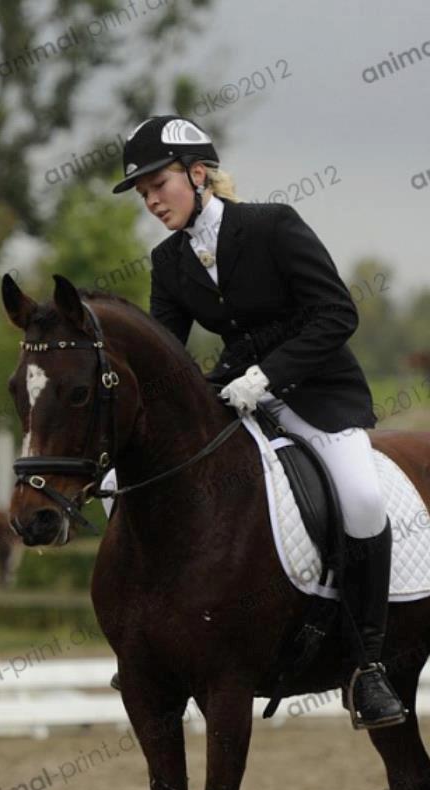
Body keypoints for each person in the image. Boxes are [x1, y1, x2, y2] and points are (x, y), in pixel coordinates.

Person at [106, 114, 407, 730]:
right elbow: (169, 358)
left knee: (361, 498)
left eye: (157, 183)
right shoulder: (170, 262)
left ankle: (369, 667)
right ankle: (147, 643)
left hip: (322, 394)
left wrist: (268, 374)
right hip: (241, 398)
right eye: (142, 193)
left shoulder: (272, 226)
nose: (151, 200)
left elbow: (335, 313)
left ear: (197, 173)